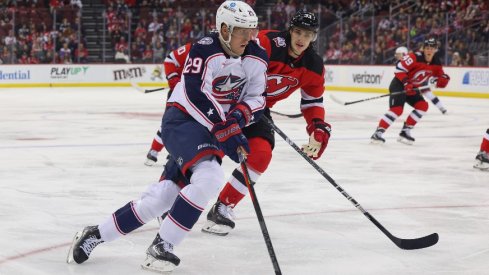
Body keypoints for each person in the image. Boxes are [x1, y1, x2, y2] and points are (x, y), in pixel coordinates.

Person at [66, 1, 268, 272]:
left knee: (163, 197)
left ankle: (95, 234)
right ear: (224, 28)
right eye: (243, 31)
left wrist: (240, 115)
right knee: (209, 177)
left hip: (212, 127)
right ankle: (163, 245)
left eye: (252, 31)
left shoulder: (256, 56)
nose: (249, 37)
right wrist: (226, 127)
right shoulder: (204, 48)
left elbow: (257, 97)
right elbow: (196, 93)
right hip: (183, 119)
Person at [201, 10, 332, 236]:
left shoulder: (313, 65)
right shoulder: (266, 43)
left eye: (308, 35)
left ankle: (223, 205)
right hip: (223, 100)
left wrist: (318, 127)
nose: (301, 39)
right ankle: (172, 196)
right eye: (298, 32)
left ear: (314, 38)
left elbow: (312, 103)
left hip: (255, 108)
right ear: (290, 31)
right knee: (205, 154)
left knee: (261, 153)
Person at [370, 38, 450, 145]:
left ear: (435, 49)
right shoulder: (414, 57)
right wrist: (406, 83)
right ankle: (378, 133)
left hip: (412, 88)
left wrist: (443, 80)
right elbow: (399, 69)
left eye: (432, 48)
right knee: (397, 110)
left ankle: (405, 131)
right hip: (399, 84)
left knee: (422, 106)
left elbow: (440, 77)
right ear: (423, 49)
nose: (429, 50)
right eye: (427, 48)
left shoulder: (436, 62)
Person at [145, 42, 192, 166]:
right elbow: (170, 60)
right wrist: (173, 80)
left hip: (196, 95)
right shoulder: (192, 48)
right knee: (170, 122)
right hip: (178, 94)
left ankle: (174, 153)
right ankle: (154, 150)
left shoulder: (221, 55)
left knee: (190, 127)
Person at [395, 46, 447, 114]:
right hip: (412, 82)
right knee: (426, 95)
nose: (397, 56)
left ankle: (441, 107)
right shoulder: (405, 60)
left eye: (399, 54)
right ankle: (440, 108)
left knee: (428, 94)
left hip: (418, 80)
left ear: (404, 54)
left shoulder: (411, 58)